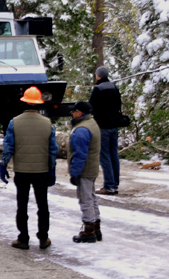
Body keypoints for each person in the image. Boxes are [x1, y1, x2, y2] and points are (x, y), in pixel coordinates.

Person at [0, 87, 59, 250]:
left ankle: (23, 238)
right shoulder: (47, 123)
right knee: (43, 206)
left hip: (22, 172)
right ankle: (43, 238)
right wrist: (51, 169)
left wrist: (3, 164)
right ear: (39, 104)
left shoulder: (14, 122)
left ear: (24, 102)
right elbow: (53, 150)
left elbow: (8, 147)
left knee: (22, 205)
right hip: (41, 172)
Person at [68, 101, 102, 244]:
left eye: (73, 111)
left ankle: (89, 230)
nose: (71, 113)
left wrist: (74, 173)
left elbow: (80, 154)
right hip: (92, 167)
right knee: (91, 197)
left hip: (85, 169)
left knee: (85, 198)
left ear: (79, 113)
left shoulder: (81, 130)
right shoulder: (92, 123)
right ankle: (96, 227)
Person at [89, 65, 122, 195]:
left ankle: (109, 185)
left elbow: (91, 106)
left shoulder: (98, 89)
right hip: (114, 126)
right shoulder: (114, 87)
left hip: (102, 126)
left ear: (98, 76)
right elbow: (119, 105)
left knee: (104, 156)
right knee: (114, 155)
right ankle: (115, 184)